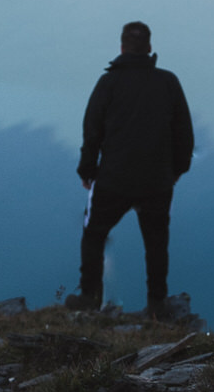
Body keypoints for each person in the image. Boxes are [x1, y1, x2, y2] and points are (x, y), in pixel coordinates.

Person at [69, 20, 194, 316]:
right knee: (156, 240)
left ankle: (89, 298)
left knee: (94, 234)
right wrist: (176, 170)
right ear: (149, 48)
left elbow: (92, 130)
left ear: (122, 47)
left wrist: (87, 170)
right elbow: (184, 134)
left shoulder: (108, 83)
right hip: (157, 181)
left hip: (113, 180)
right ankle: (157, 304)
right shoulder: (168, 82)